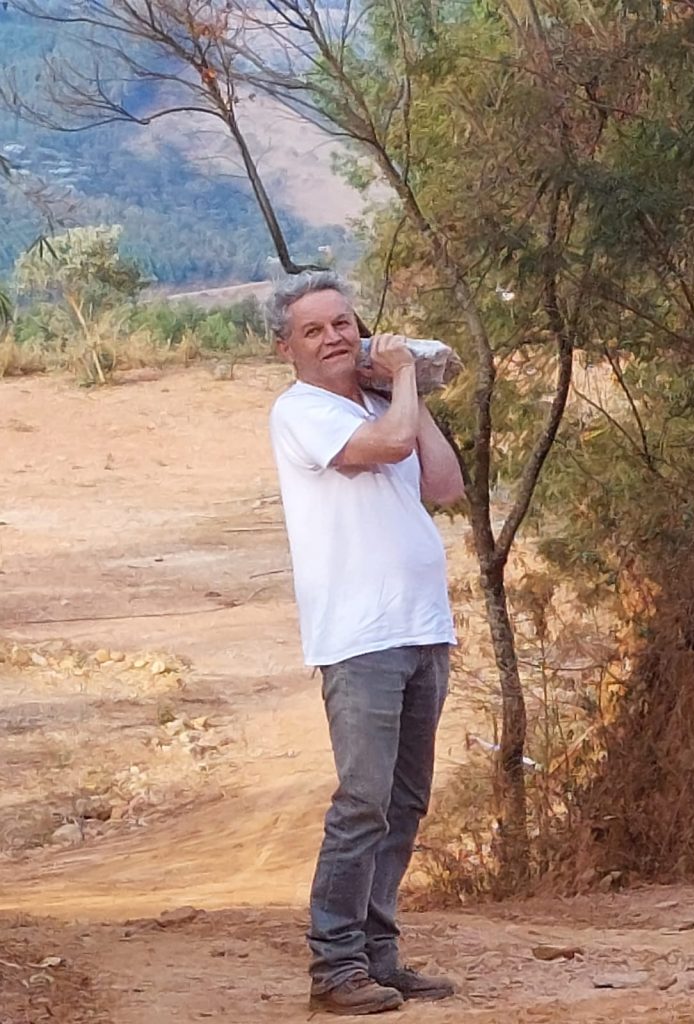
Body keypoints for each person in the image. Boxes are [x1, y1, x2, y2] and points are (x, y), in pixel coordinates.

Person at [267, 271, 464, 1016]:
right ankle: (335, 965)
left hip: (422, 626)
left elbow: (442, 485)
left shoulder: (385, 405)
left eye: (344, 324)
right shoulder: (301, 410)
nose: (335, 339)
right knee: (362, 802)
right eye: (314, 330)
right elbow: (383, 449)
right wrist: (407, 376)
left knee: (405, 801)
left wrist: (404, 387)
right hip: (361, 637)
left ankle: (380, 956)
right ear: (286, 348)